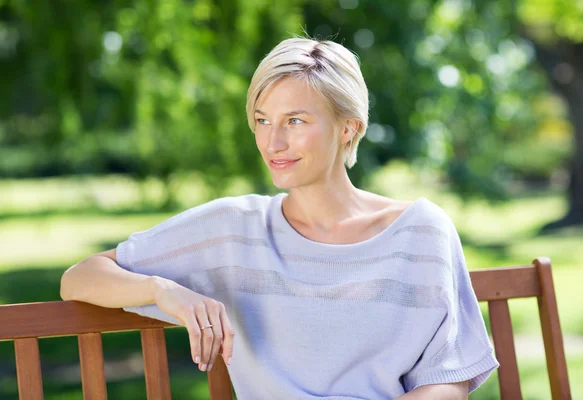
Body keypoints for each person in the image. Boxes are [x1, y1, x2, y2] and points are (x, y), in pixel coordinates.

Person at [60, 36, 499, 399]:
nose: (273, 142)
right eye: (262, 120)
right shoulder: (234, 228)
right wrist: (162, 291)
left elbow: (448, 376)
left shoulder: (421, 231)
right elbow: (79, 277)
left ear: (348, 128)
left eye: (295, 120)